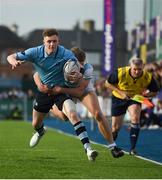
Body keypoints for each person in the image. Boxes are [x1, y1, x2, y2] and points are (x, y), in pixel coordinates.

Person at [7, 28, 98, 161]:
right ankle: (40, 131)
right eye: (49, 41)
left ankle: (88, 149)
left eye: (54, 41)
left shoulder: (66, 54)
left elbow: (79, 68)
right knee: (35, 123)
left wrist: (78, 75)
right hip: (44, 91)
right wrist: (14, 62)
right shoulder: (35, 52)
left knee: (72, 114)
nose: (51, 44)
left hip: (60, 90)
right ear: (43, 41)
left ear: (58, 41)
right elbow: (11, 56)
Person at [34, 47, 124, 158]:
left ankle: (113, 146)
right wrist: (41, 86)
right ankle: (52, 107)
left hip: (80, 89)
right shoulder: (59, 63)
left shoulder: (87, 68)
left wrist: (60, 89)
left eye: (82, 63)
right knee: (65, 117)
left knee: (97, 114)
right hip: (64, 89)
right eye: (77, 63)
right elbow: (37, 74)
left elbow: (79, 91)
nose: (79, 67)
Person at [105, 57, 159, 155]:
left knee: (135, 117)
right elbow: (107, 83)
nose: (137, 71)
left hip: (134, 99)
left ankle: (133, 149)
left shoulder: (148, 77)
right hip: (118, 98)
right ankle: (112, 147)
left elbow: (155, 92)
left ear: (143, 67)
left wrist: (145, 95)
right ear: (130, 67)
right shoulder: (120, 72)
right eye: (134, 69)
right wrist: (121, 93)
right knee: (115, 128)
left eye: (139, 69)